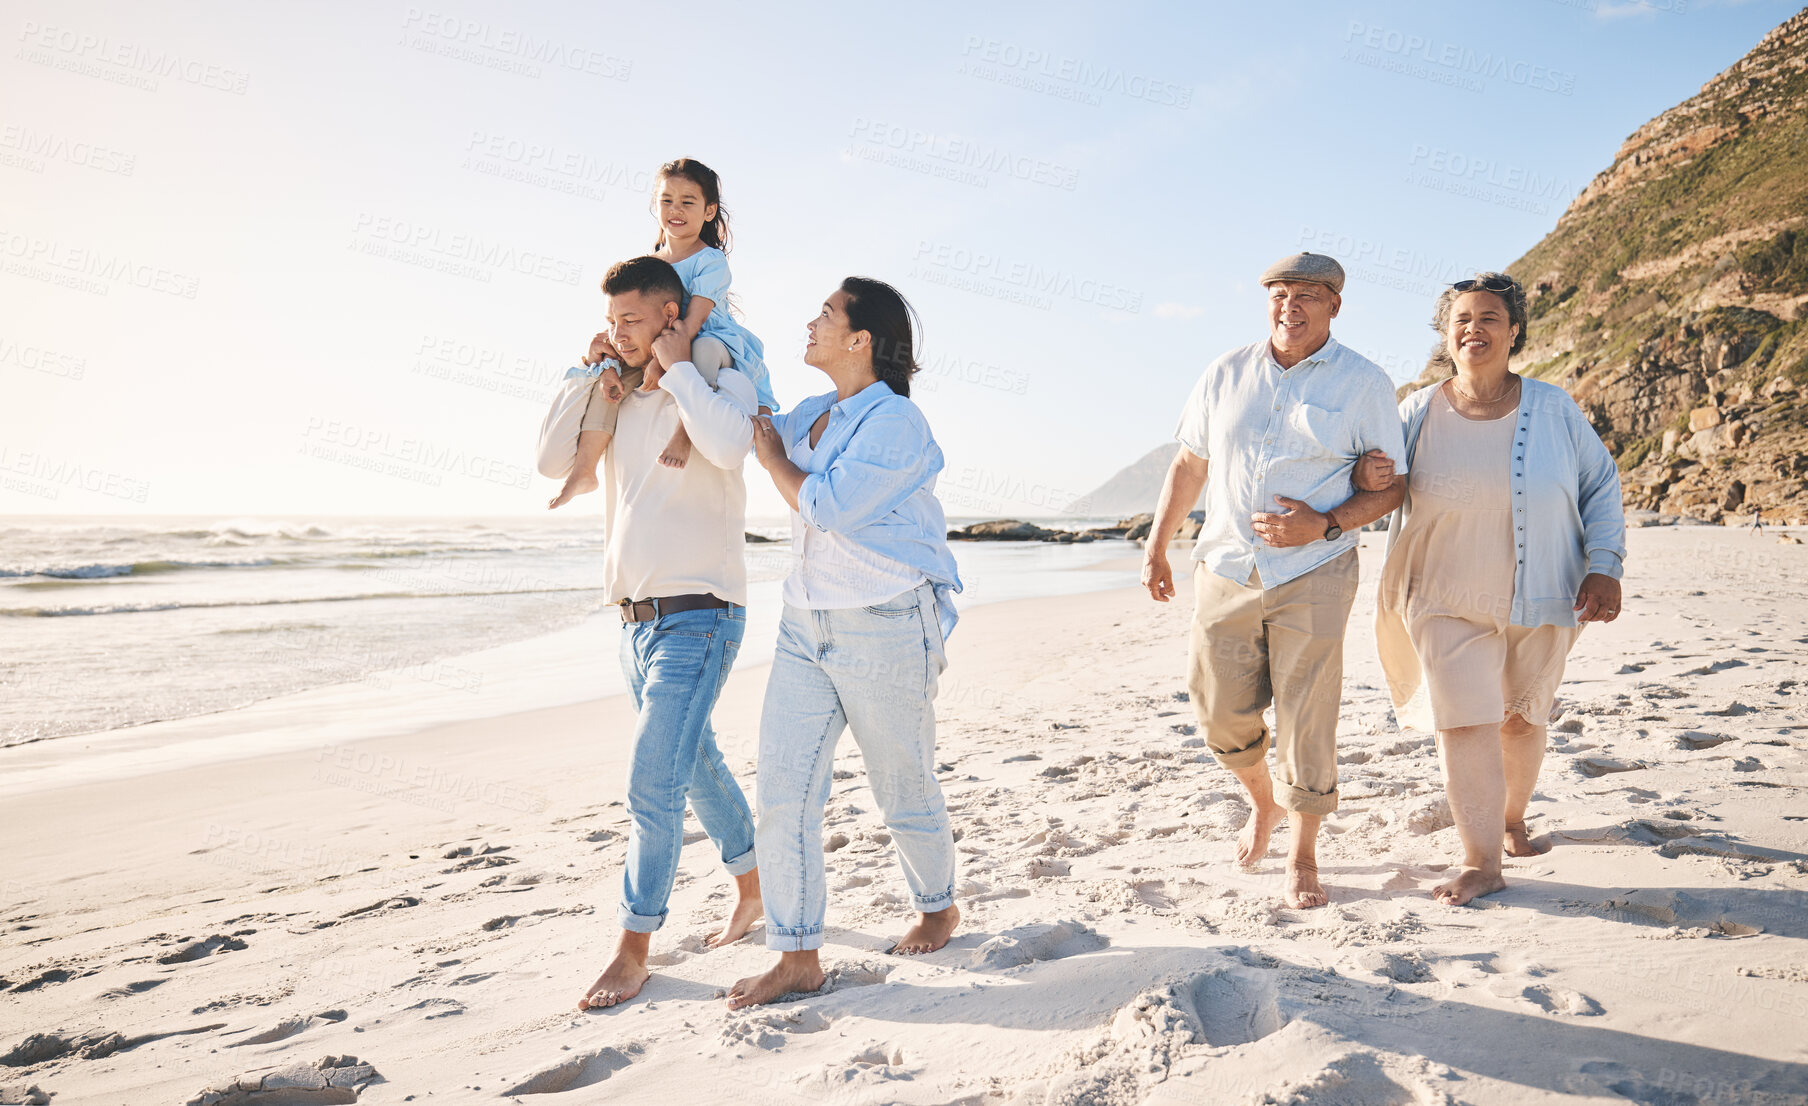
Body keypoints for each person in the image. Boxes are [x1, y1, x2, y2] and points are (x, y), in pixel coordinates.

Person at [536, 255, 768, 1010]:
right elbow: (550, 462)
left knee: (652, 783)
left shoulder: (718, 372)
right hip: (634, 623)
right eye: (612, 322)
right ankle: (757, 888)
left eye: (632, 320)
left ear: (671, 315)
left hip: (701, 614)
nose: (619, 333)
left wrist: (679, 373)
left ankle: (633, 949)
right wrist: (584, 372)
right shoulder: (618, 394)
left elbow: (732, 448)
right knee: (694, 766)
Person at [1143, 251, 1408, 910]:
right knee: (1218, 711)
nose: (1291, 307)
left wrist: (1322, 525)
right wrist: (1157, 545)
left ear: (1334, 306)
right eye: (1280, 294)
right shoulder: (1225, 372)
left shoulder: (1365, 383)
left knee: (1307, 715)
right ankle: (1264, 804)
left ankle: (1304, 851)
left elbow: (1392, 487)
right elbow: (1190, 464)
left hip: (1315, 569)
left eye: (1308, 296)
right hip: (1226, 566)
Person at [726, 277, 963, 1009]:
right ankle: (796, 953)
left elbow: (827, 505)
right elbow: (751, 410)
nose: (812, 321)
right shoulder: (816, 413)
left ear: (860, 340)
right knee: (784, 793)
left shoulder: (895, 423)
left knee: (903, 788)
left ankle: (938, 904)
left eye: (825, 314)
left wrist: (772, 459)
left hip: (887, 624)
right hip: (805, 625)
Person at [1358, 272, 1626, 907]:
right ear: (1446, 337)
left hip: (1545, 590)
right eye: (1462, 320)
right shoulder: (1415, 411)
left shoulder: (1554, 408)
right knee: (1463, 721)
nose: (1474, 328)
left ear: (1513, 333)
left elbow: (1600, 484)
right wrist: (1368, 472)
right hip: (1443, 593)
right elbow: (1378, 481)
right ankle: (1480, 860)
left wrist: (1605, 563)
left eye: (1489, 318)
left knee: (1520, 719)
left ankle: (1509, 820)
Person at [547, 158, 778, 508]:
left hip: (708, 338)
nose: (676, 209)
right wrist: (611, 360)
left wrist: (660, 364)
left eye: (688, 202)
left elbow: (692, 324)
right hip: (663, 341)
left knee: (701, 353)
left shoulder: (710, 260)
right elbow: (634, 315)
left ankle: (683, 435)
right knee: (606, 379)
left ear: (709, 211)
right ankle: (584, 469)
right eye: (666, 200)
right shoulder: (652, 262)